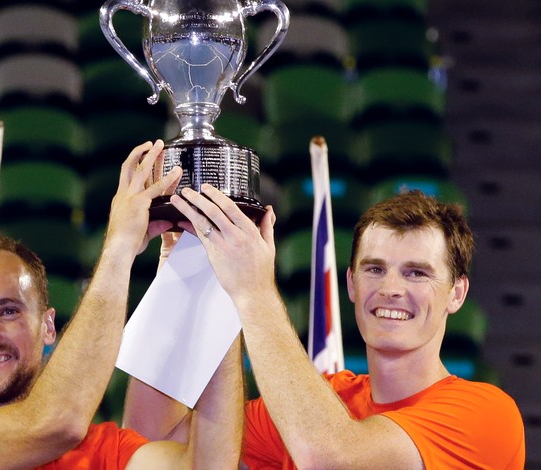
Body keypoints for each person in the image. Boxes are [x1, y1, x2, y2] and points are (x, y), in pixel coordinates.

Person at [0, 141, 244, 469]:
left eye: (7, 311)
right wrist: (119, 247)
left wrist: (211, 278)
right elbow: (55, 424)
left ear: (48, 326)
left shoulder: (98, 449)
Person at [124, 185, 525, 469]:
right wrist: (180, 284)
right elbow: (152, 446)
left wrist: (253, 291)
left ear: (457, 294)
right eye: (375, 269)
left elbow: (330, 459)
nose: (391, 289)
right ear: (351, 283)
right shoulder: (321, 400)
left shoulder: (486, 415)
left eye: (417, 273)